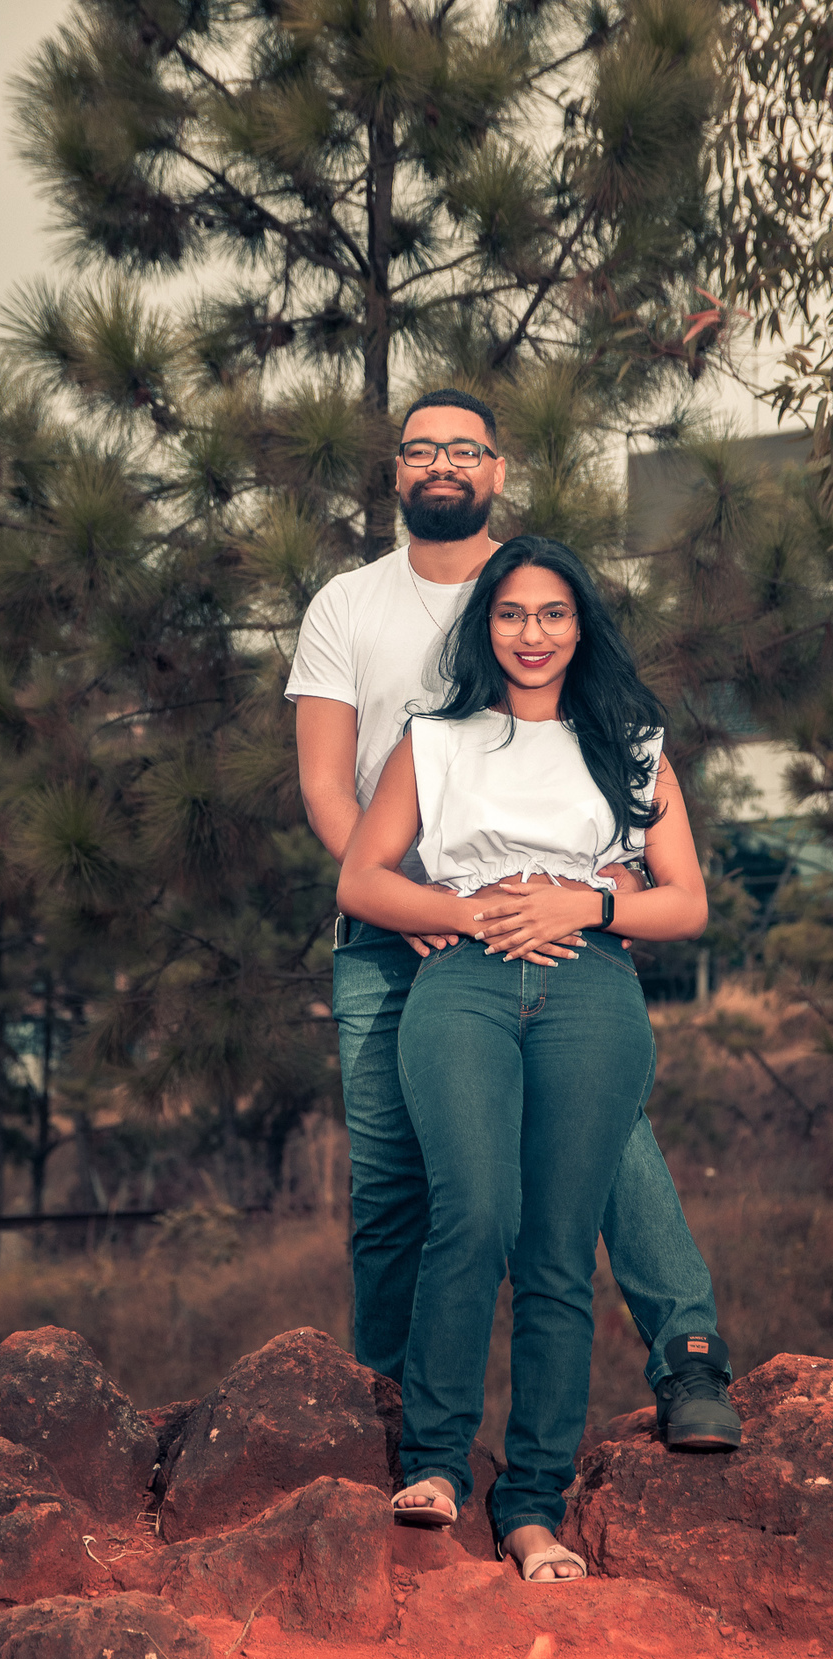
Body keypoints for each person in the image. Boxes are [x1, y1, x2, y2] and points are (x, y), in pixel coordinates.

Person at [286, 388, 740, 1456]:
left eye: (466, 449)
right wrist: (423, 909)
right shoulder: (347, 608)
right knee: (404, 1187)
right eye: (421, 450)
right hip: (396, 932)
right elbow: (326, 789)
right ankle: (391, 1416)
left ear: (498, 469)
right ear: (395, 472)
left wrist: (585, 905)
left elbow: (612, 781)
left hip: (553, 939)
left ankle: (688, 1352)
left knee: (606, 1138)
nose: (443, 465)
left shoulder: (536, 589)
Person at [337, 536, 709, 1580]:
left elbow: (684, 901)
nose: (532, 634)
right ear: (484, 628)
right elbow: (363, 879)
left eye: (552, 614)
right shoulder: (439, 739)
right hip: (464, 981)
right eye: (511, 615)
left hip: (592, 985)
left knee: (557, 1246)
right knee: (475, 1212)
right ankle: (437, 1464)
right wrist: (467, 910)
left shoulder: (631, 742)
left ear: (580, 624)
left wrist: (585, 901)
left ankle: (534, 1506)